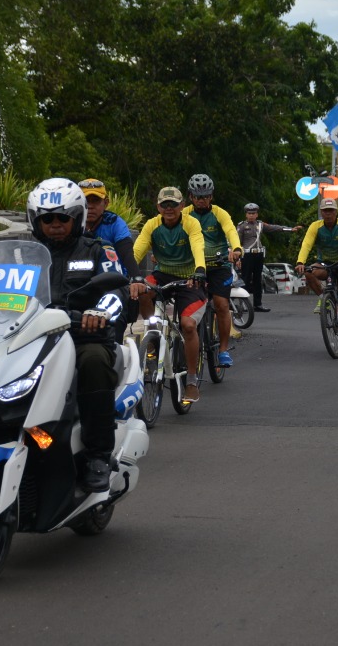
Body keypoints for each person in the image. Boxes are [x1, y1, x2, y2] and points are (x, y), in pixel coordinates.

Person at [26, 178, 129, 493]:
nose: (55, 225)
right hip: (31, 336)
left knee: (95, 362)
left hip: (81, 336)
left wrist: (101, 314)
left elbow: (117, 288)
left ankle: (98, 454)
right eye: (47, 218)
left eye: (62, 218)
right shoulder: (23, 256)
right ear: (36, 220)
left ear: (77, 218)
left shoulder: (98, 250)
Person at [129, 187, 208, 404]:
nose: (169, 209)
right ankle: (154, 336)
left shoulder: (191, 223)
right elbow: (136, 253)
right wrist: (127, 274)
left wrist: (200, 269)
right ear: (158, 207)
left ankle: (191, 380)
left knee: (188, 325)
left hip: (190, 279)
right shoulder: (152, 225)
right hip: (162, 275)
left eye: (174, 204)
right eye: (165, 205)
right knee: (142, 290)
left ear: (182, 206)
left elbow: (198, 246)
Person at [181, 174, 242, 367]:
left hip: (219, 265)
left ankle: (223, 350)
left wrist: (237, 249)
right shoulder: (185, 214)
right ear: (190, 196)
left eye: (205, 196)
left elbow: (231, 230)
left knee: (221, 304)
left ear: (211, 196)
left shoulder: (219, 213)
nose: (202, 200)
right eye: (198, 196)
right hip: (194, 267)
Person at [295, 197, 338, 343]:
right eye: (325, 211)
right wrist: (300, 261)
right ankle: (323, 298)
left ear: (336, 211)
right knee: (308, 271)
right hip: (324, 263)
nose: (328, 214)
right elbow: (307, 244)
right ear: (321, 212)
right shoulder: (315, 226)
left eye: (331, 211)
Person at [235, 202, 302, 312]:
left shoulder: (260, 225)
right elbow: (237, 242)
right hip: (247, 255)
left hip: (259, 255)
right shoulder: (241, 226)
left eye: (254, 213)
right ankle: (242, 304)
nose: (251, 215)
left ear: (257, 214)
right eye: (249, 213)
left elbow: (274, 228)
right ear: (246, 214)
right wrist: (237, 258)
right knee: (245, 279)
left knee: (258, 280)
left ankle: (258, 304)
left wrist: (290, 229)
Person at [79, 178, 139, 279]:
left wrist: (137, 278)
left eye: (95, 201)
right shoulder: (69, 223)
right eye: (85, 201)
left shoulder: (115, 222)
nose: (90, 206)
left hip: (113, 280)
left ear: (106, 203)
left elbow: (126, 253)